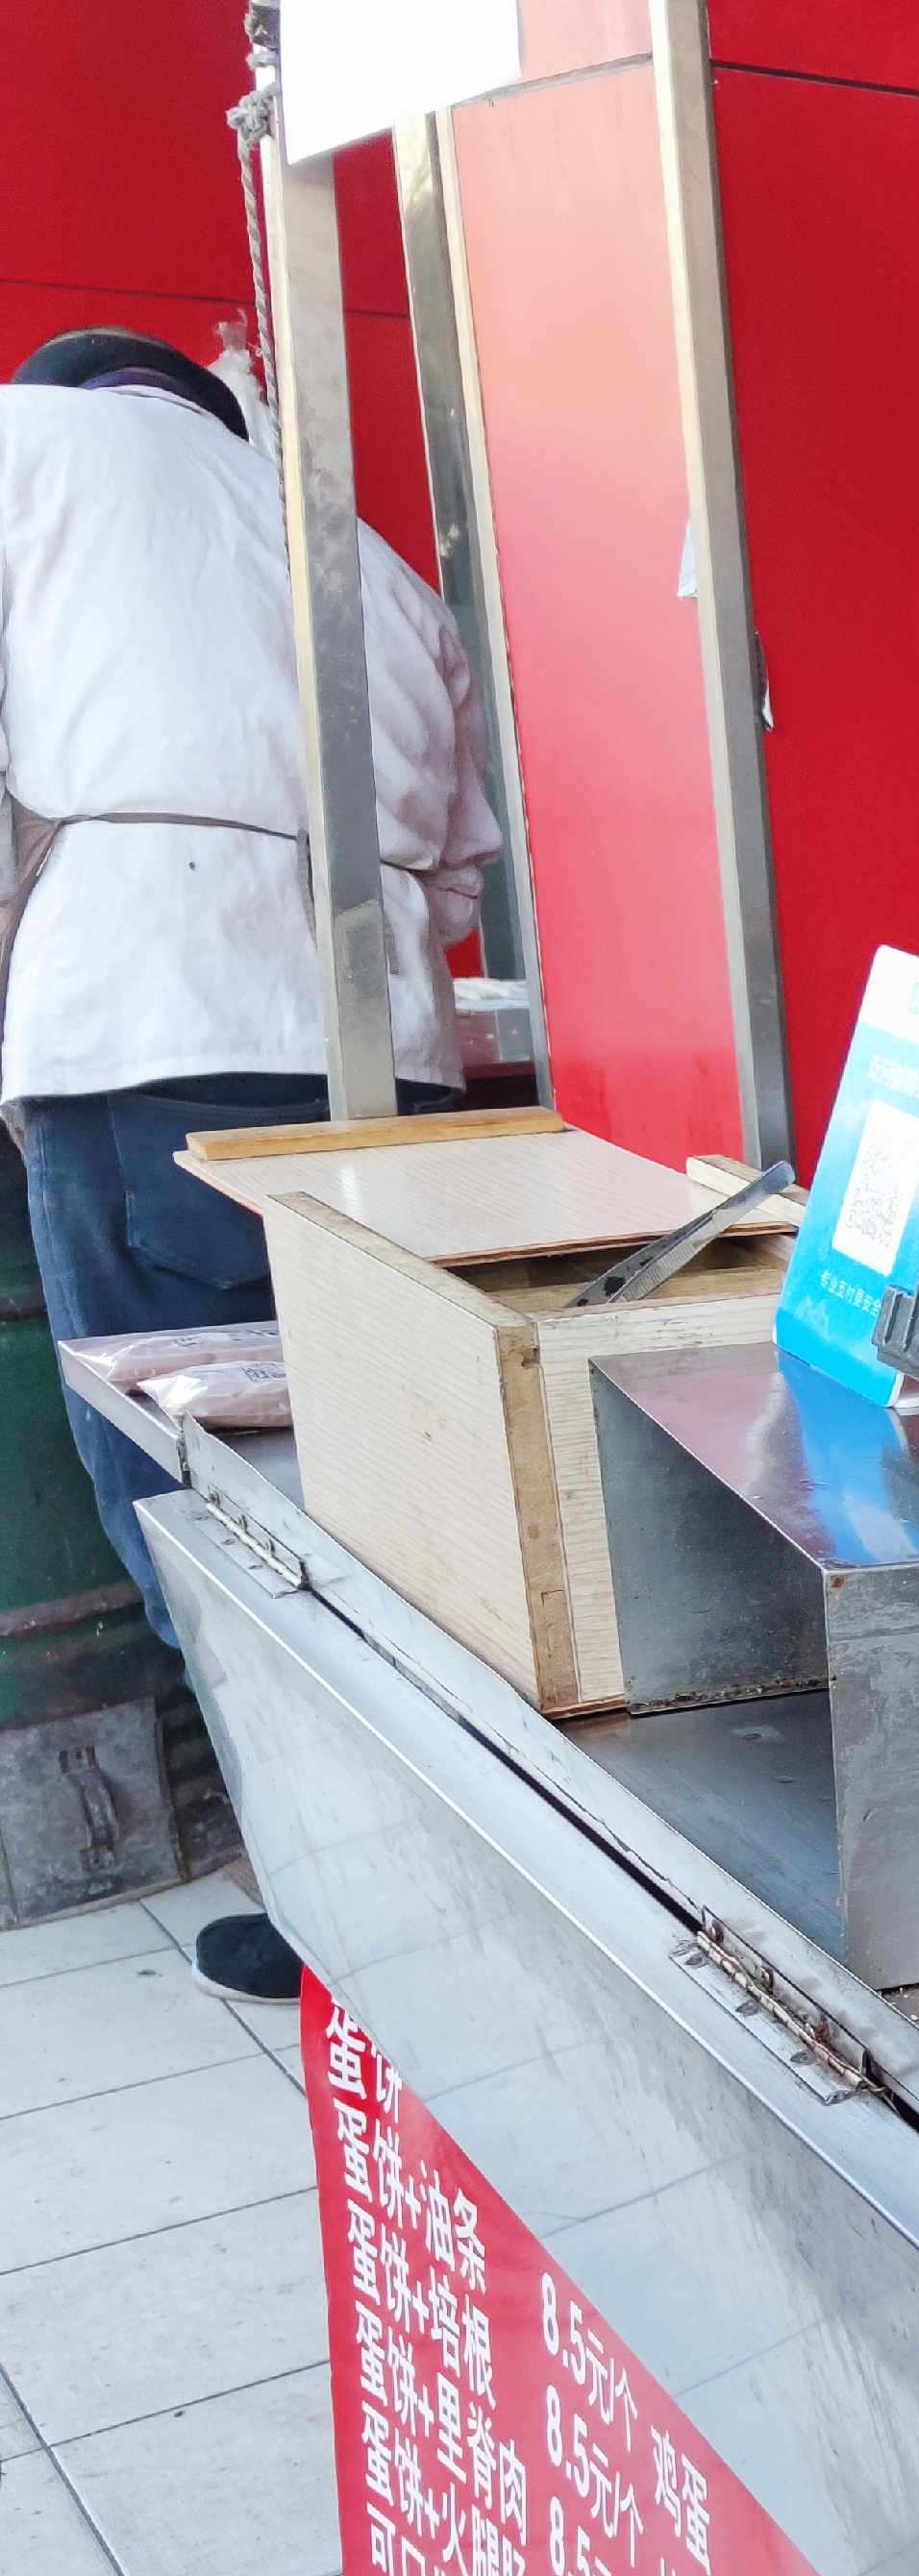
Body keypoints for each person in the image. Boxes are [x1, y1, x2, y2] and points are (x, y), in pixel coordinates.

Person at [3, 327, 495, 1999]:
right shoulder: (353, 537)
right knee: (401, 1480)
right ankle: (474, 1870)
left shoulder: (26, 451)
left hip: (150, 1033)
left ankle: (336, 1910)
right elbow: (465, 857)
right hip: (400, 1064)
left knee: (205, 1496)